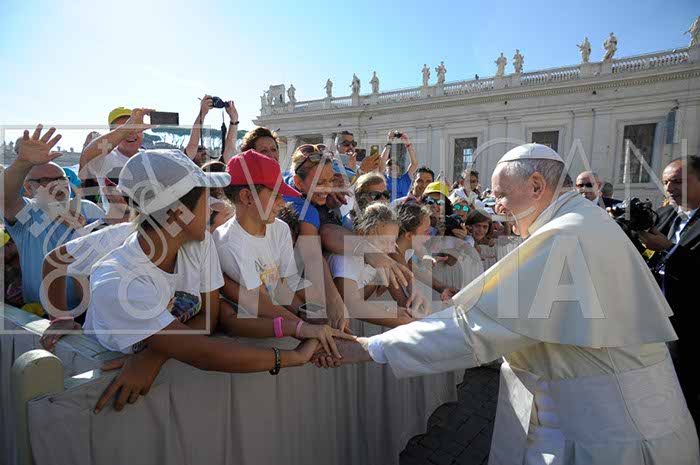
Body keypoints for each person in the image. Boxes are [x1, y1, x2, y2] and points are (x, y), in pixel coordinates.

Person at [321, 143, 698, 465]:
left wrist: (368, 348)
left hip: (610, 438)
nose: (496, 207)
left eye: (501, 195)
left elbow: (472, 330)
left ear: (536, 186)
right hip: (598, 423)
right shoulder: (583, 222)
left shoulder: (567, 234)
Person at [83, 149, 323, 413]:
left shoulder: (199, 243)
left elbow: (209, 319)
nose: (213, 208)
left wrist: (157, 352)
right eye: (206, 201)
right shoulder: (118, 282)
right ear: (176, 214)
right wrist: (295, 356)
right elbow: (204, 354)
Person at [1, 125, 105, 312]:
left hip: (88, 311)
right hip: (39, 315)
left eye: (61, 178)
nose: (56, 184)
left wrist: (83, 229)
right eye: (45, 181)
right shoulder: (27, 213)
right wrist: (22, 162)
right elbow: (4, 195)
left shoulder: (88, 208)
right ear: (29, 188)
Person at [641, 156, 700, 427]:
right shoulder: (663, 215)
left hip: (690, 326)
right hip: (655, 319)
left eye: (678, 181)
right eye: (665, 182)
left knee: (687, 392)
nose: (669, 188)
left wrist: (669, 250)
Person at [328, 203, 425, 327]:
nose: (390, 249)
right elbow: (353, 306)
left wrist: (408, 306)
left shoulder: (381, 255)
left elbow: (397, 292)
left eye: (393, 242)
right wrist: (400, 319)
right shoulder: (346, 258)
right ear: (362, 234)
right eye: (383, 241)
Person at [184, 96, 239, 166]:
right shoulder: (187, 165)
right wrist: (202, 113)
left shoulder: (217, 167)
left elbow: (230, 148)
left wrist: (234, 120)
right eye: (199, 150)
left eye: (205, 149)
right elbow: (193, 145)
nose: (204, 152)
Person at [379, 131, 419, 201]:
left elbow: (414, 164)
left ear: (399, 167)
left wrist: (408, 145)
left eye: (395, 163)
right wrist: (389, 142)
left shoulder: (405, 179)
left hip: (402, 207)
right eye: (389, 164)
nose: (393, 166)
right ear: (386, 168)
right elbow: (382, 161)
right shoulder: (383, 179)